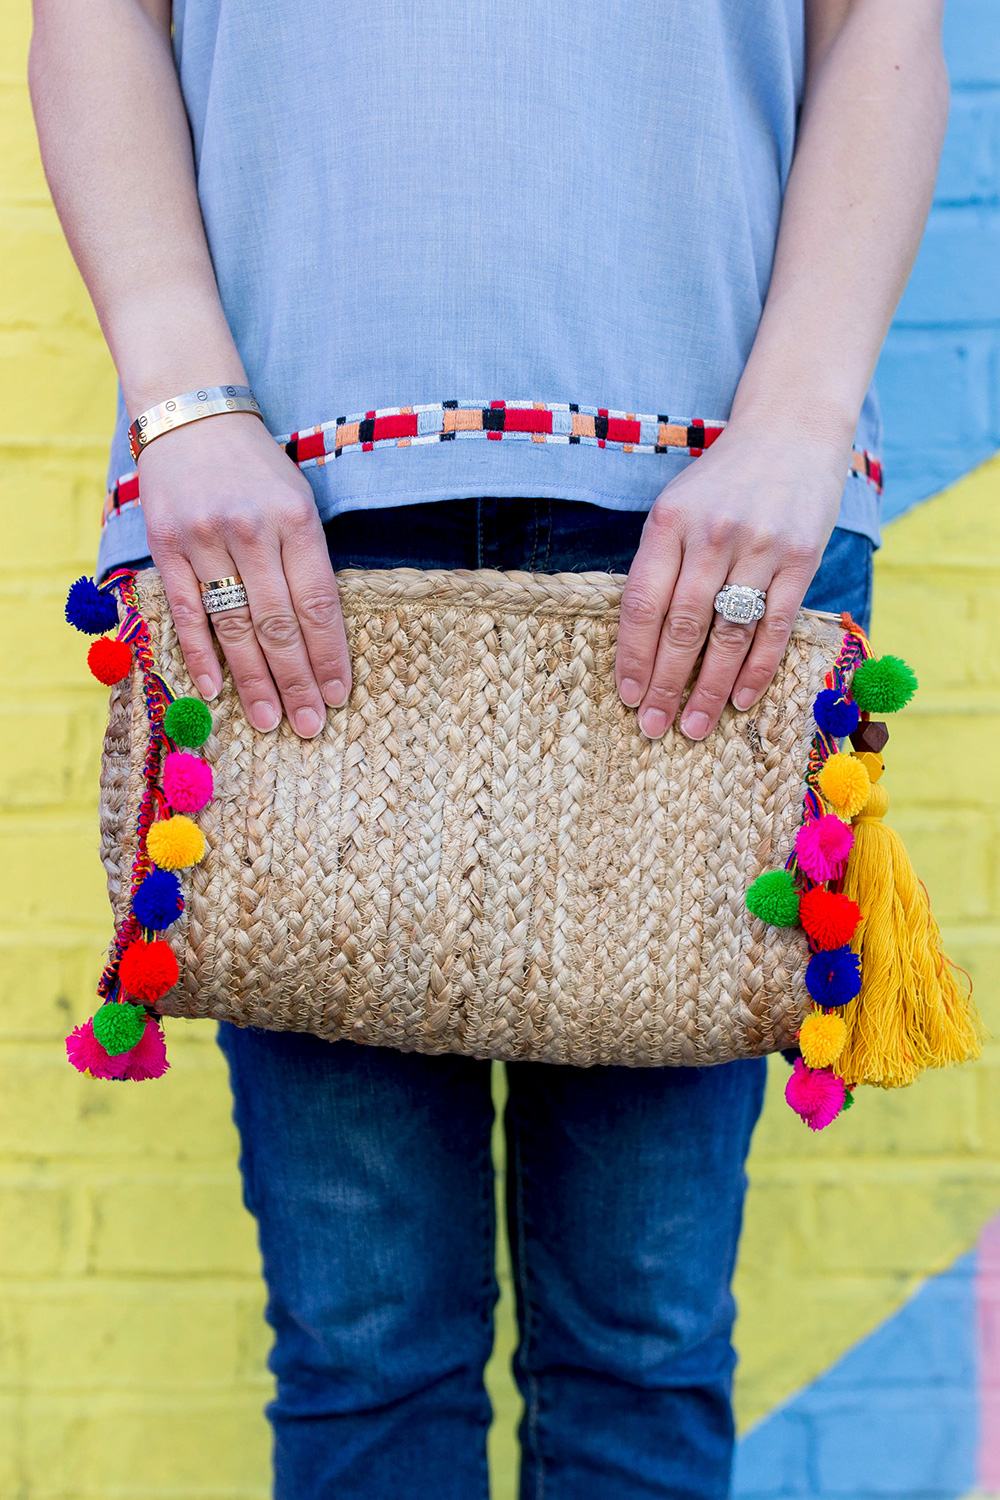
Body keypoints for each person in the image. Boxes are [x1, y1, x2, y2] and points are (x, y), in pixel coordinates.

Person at [28, 1, 947, 1495]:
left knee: (640, 1353)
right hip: (286, 510)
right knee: (361, 1349)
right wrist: (185, 405)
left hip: (720, 518)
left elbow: (883, 27)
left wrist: (800, 421)